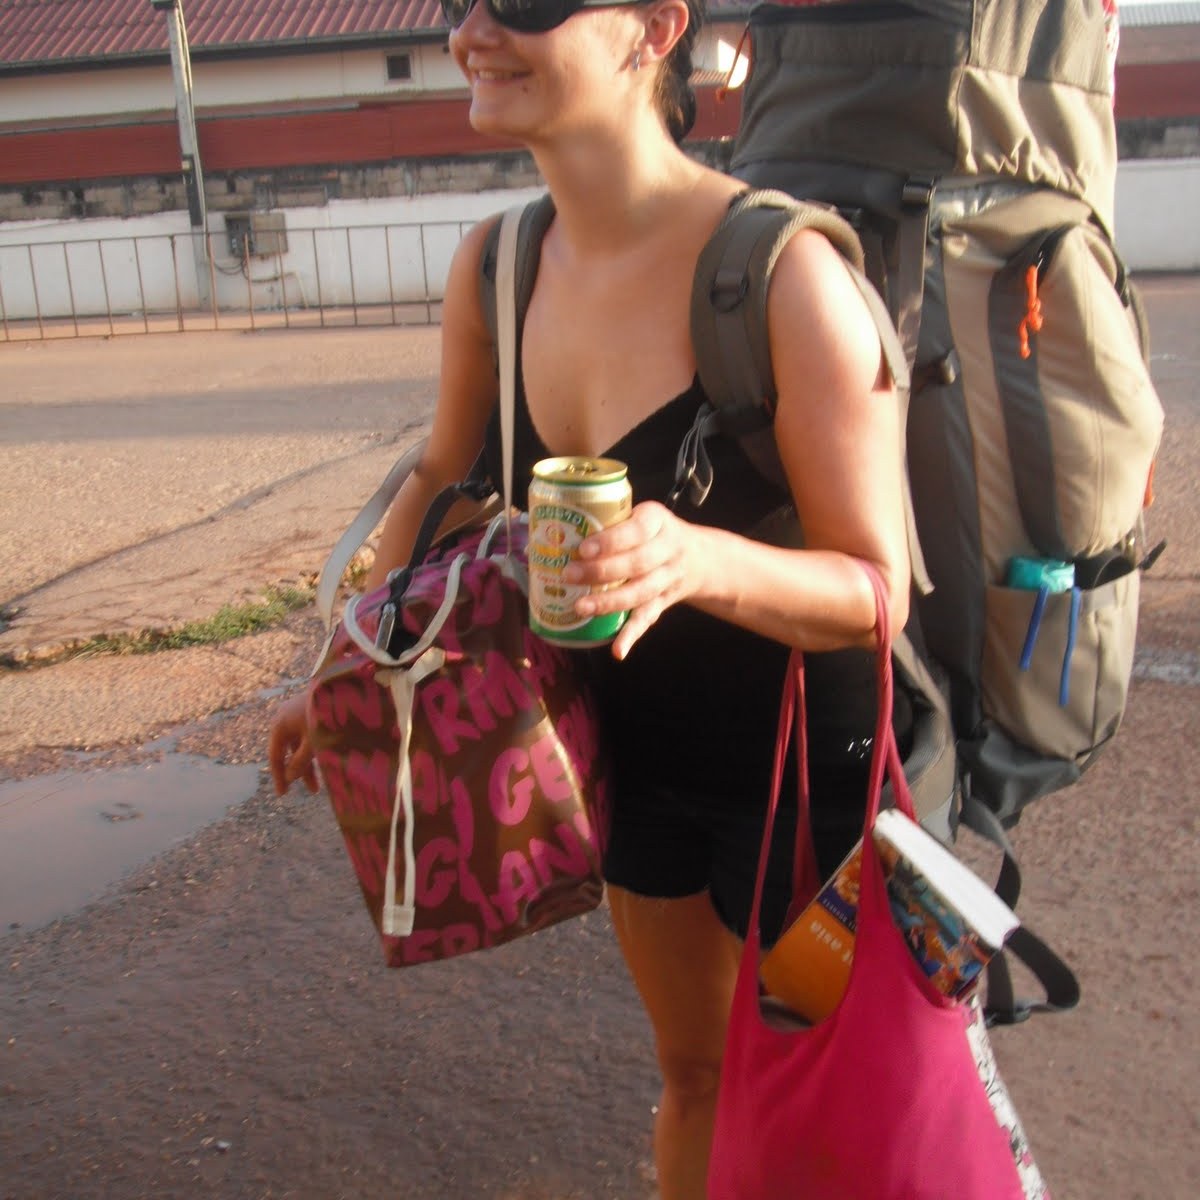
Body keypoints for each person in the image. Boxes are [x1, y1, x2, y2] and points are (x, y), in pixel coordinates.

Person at [268, 0, 911, 1194]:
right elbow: (444, 481)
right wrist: (350, 667)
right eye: (459, 4)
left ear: (654, 26)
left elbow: (878, 592)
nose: (473, 32)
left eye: (523, 3)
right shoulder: (498, 266)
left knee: (829, 1091)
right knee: (695, 1072)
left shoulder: (785, 277)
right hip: (631, 764)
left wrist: (696, 560)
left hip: (806, 783)